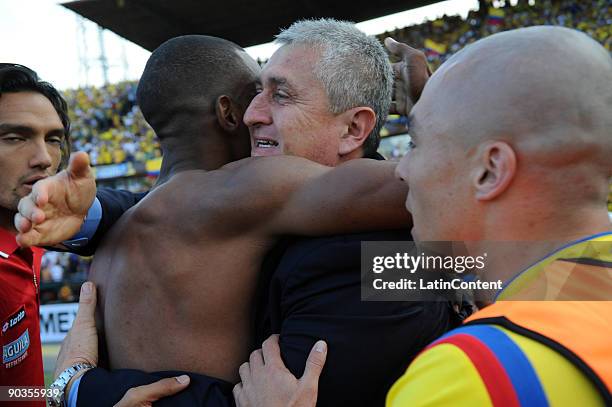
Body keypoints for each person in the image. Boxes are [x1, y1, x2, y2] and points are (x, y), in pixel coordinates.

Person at [17, 22, 457, 406]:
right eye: (255, 92)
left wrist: (77, 388)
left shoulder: (384, 258)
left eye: (279, 95)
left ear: (353, 128)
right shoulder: (217, 206)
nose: (252, 115)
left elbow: (437, 189)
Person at [233, 25, 612, 406]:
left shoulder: (467, 377)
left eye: (416, 143)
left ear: (490, 169)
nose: (400, 170)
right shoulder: (582, 289)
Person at [0, 63, 75, 406]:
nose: (44, 159)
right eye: (15, 137)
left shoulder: (29, 234)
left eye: (54, 139)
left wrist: (59, 394)